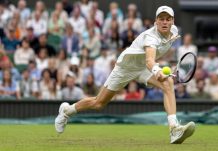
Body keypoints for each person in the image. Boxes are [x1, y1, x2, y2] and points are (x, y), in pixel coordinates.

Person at [55, 6, 195, 144]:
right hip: (126, 67)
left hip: (142, 68)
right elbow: (149, 60)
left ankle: (174, 129)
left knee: (168, 83)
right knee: (99, 103)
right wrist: (157, 71)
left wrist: (162, 69)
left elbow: (156, 55)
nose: (165, 22)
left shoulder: (174, 31)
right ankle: (67, 111)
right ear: (156, 21)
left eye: (168, 19)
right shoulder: (150, 37)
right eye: (161, 19)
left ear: (173, 21)